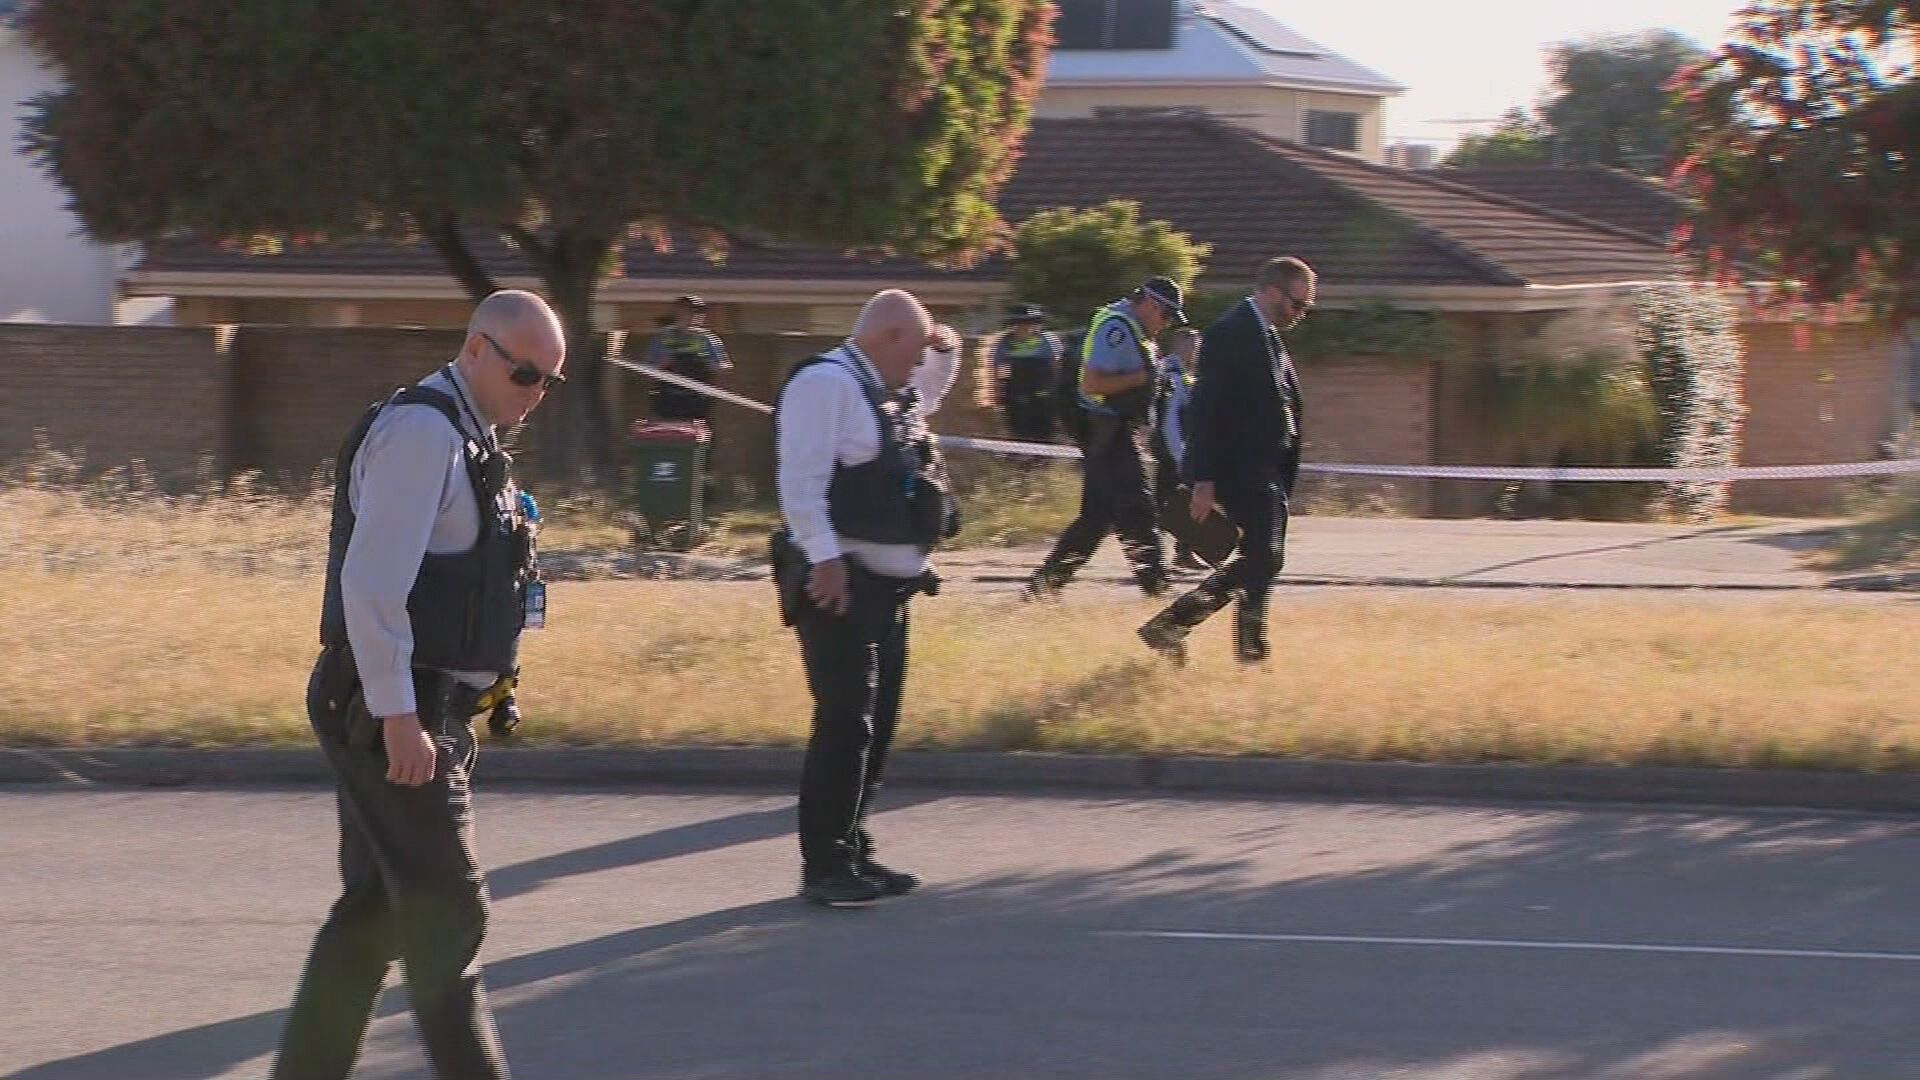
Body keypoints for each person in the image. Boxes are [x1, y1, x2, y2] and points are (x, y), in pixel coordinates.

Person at [272, 289, 566, 1080]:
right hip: (394, 712)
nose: (535, 393)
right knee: (449, 914)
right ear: (476, 350)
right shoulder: (421, 435)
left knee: (373, 911)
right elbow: (372, 586)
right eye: (526, 373)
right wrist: (400, 716)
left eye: (549, 381)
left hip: (421, 709)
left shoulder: (471, 441)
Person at [772, 288, 961, 906]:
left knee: (878, 723)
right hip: (840, 584)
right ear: (886, 340)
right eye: (913, 349)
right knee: (845, 723)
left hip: (887, 588)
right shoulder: (825, 386)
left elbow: (923, 400)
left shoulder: (883, 390)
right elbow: (799, 482)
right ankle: (824, 865)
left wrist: (945, 351)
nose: (916, 365)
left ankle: (852, 846)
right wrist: (824, 560)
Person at [1139, 257, 1315, 665]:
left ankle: (1220, 641)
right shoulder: (1230, 333)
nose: (1300, 314)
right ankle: (1193, 631)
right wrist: (1203, 480)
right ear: (1272, 291)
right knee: (1264, 557)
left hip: (1266, 468)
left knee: (1262, 558)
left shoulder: (1267, 334)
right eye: (1297, 304)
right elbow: (1206, 410)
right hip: (1240, 468)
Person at [1021, 276, 1187, 600]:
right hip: (1108, 433)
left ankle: (1043, 587)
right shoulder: (1118, 328)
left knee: (1095, 520)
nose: (1167, 325)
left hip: (1111, 433)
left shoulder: (1132, 329)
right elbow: (1093, 383)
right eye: (1166, 316)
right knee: (1138, 511)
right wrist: (1143, 376)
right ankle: (1157, 591)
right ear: (1151, 305)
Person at [1153, 327, 1206, 572]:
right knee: (1166, 503)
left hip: (1178, 449)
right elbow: (1170, 421)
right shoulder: (1171, 374)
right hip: (1173, 450)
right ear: (1182, 346)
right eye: (1194, 347)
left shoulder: (1183, 374)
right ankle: (1157, 557)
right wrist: (1179, 455)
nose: (1197, 352)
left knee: (1181, 501)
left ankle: (1182, 553)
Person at [645, 295, 731, 421]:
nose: (694, 316)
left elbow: (723, 368)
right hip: (668, 397)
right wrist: (669, 360)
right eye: (688, 311)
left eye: (698, 313)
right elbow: (650, 371)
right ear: (677, 312)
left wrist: (703, 362)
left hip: (697, 398)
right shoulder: (662, 338)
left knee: (696, 434)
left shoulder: (707, 339)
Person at [991, 303, 1064, 442]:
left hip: (1044, 388)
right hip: (1016, 388)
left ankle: (1045, 456)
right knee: (1018, 423)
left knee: (1045, 424)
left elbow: (1057, 364)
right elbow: (997, 367)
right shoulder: (1005, 342)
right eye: (1020, 323)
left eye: (1030, 323)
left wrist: (1057, 388)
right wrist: (997, 390)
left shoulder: (1048, 339)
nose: (1025, 327)